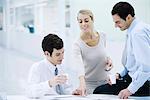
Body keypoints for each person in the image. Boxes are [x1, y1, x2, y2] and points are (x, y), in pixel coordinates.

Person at [93, 2, 150, 99]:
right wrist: (119, 74)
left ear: (128, 17)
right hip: (132, 77)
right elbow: (133, 63)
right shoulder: (135, 29)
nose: (115, 26)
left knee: (99, 91)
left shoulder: (137, 33)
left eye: (117, 22)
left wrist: (130, 90)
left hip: (144, 83)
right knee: (100, 89)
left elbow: (146, 67)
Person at [72, 9, 113, 96]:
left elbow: (103, 53)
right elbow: (79, 67)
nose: (83, 24)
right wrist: (82, 85)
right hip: (89, 85)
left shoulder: (103, 35)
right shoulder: (77, 44)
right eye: (80, 22)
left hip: (106, 83)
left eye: (86, 20)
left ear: (92, 20)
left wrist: (109, 60)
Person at [27, 33, 72, 98]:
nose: (62, 57)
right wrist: (49, 83)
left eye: (63, 52)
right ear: (47, 53)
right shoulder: (37, 68)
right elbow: (30, 92)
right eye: (57, 54)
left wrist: (73, 92)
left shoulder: (60, 66)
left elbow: (66, 88)